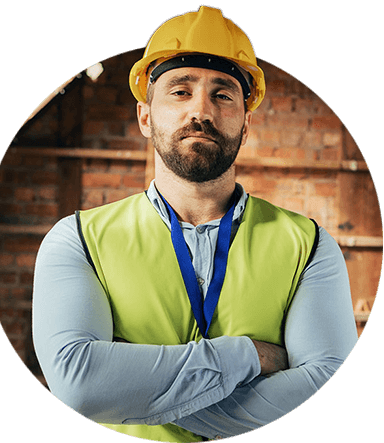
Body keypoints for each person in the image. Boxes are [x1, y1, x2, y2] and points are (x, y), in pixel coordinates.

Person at [32, 6, 358, 442]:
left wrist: (137, 389)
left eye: (223, 95)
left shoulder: (311, 246)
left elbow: (324, 384)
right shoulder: (76, 241)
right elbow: (78, 384)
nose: (200, 111)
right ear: (146, 117)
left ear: (245, 125)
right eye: (180, 91)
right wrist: (249, 356)